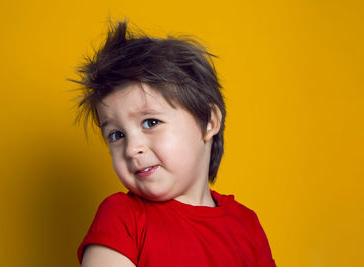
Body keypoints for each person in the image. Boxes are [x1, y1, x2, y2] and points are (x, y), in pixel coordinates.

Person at [73, 20, 276, 267]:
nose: (131, 148)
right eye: (117, 135)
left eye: (150, 122)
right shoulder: (122, 216)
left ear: (209, 121)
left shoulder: (246, 225)